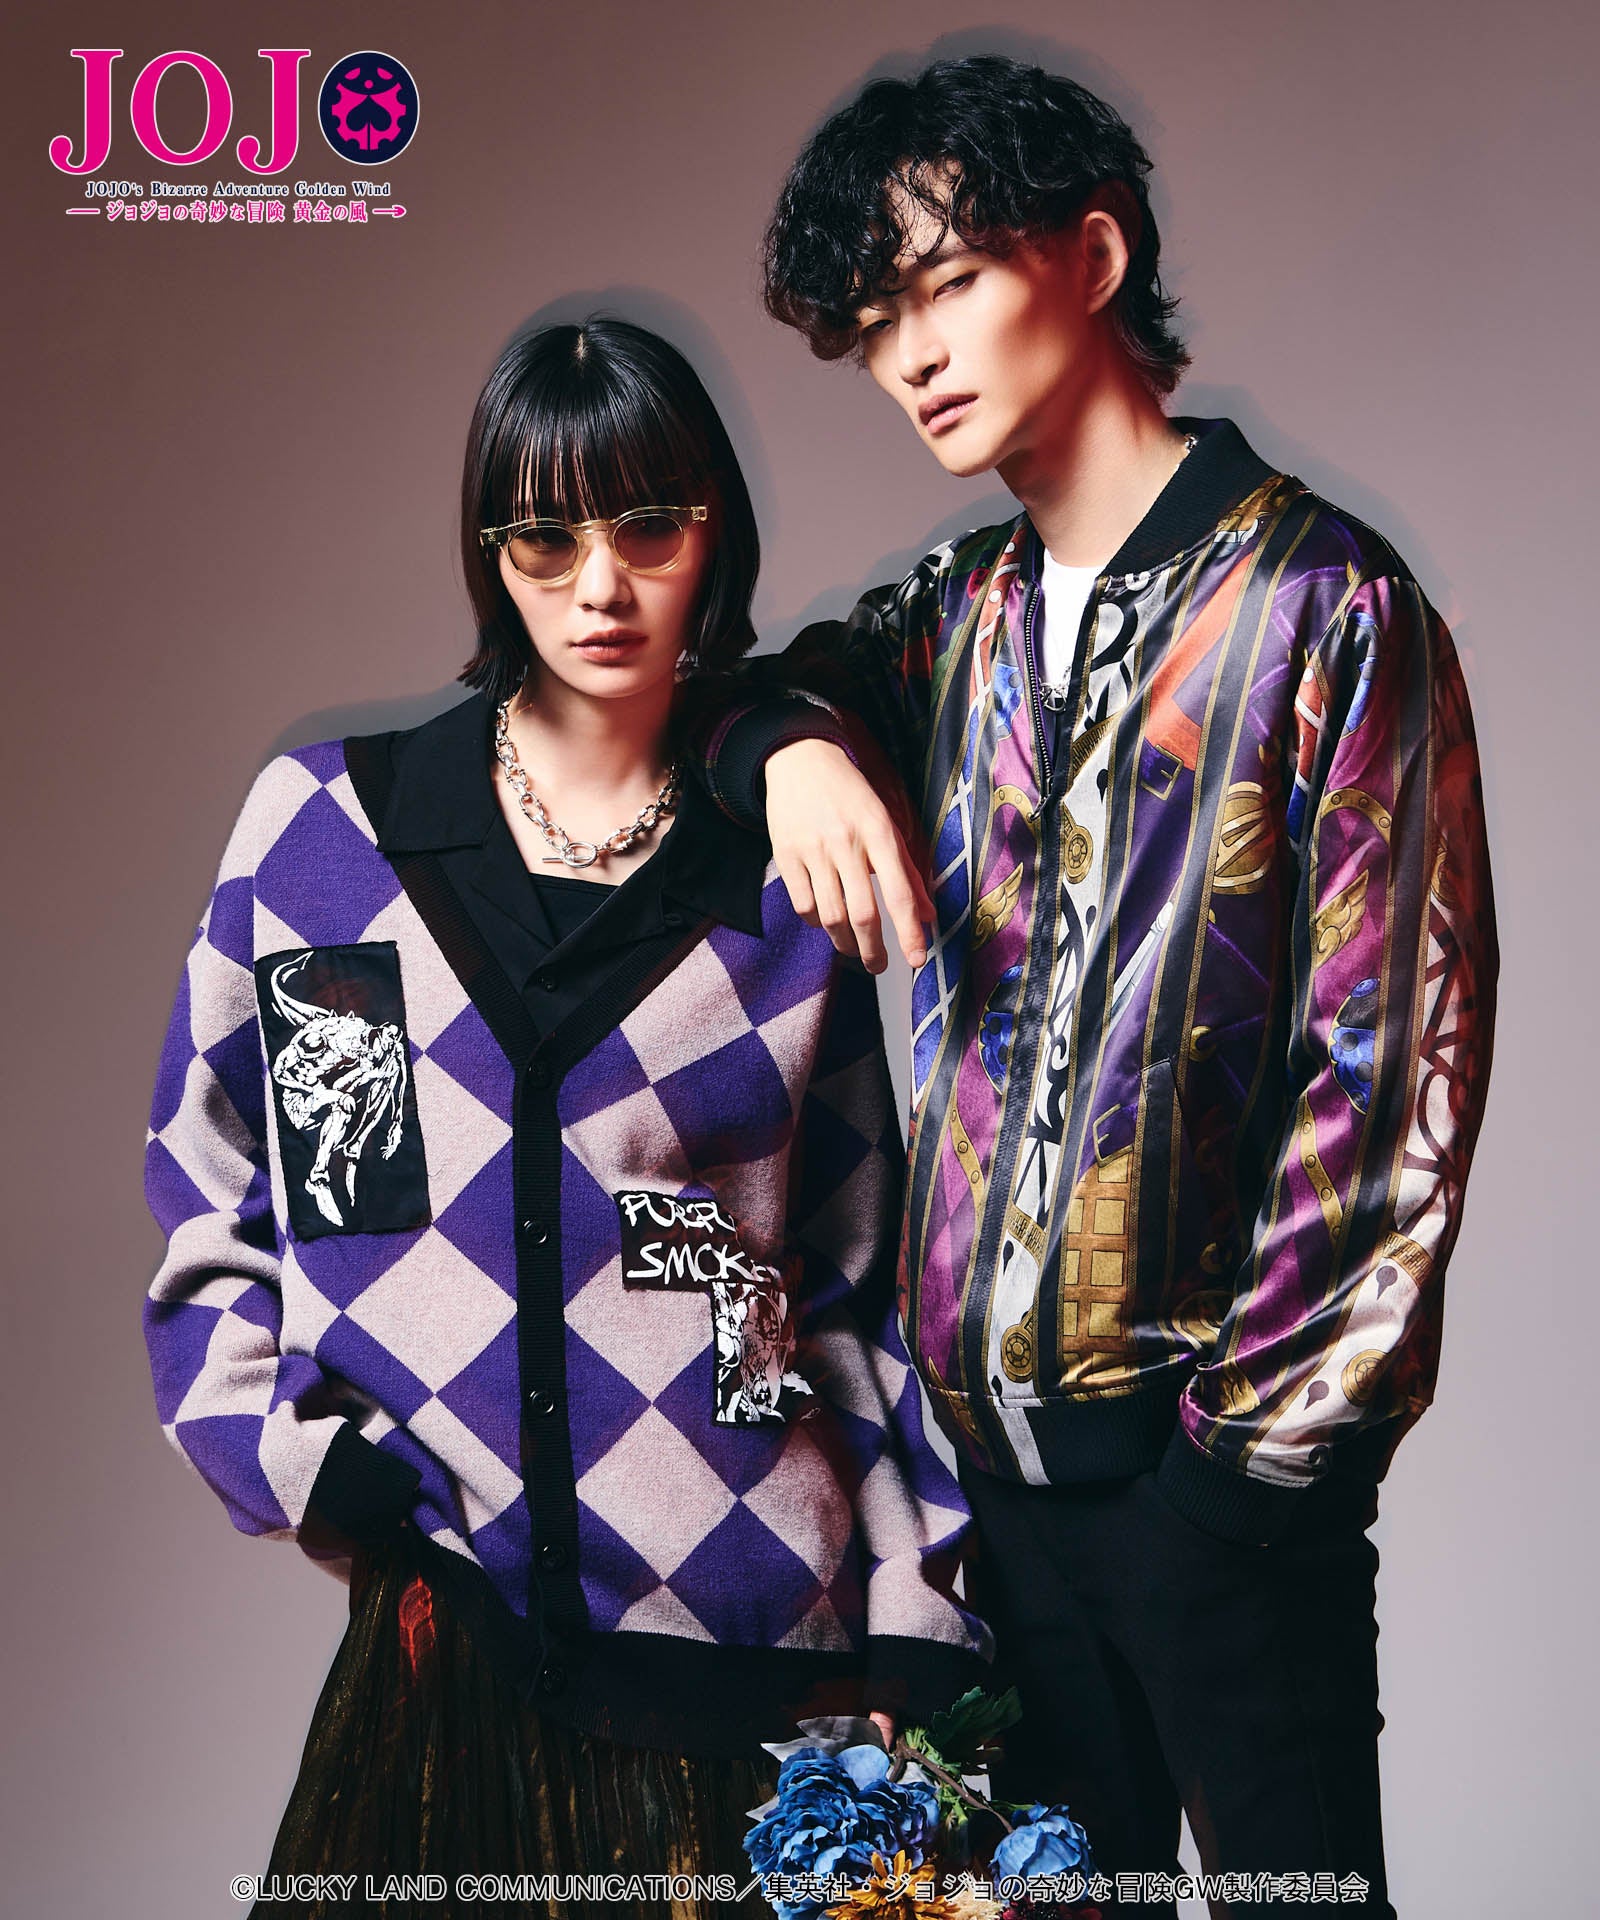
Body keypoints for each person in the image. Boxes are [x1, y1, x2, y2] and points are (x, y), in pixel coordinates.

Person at [690, 56, 1500, 1918]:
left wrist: (1244, 1478)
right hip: (999, 1503)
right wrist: (790, 750)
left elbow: (1393, 1071)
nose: (910, 354)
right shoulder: (950, 618)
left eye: (949, 282)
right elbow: (746, 698)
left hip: (1225, 1501)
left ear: (1094, 256)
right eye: (874, 320)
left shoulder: (1323, 606)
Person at [141, 315, 992, 1920]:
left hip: (751, 1649)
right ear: (492, 551)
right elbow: (224, 1187)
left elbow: (840, 1293)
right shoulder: (335, 841)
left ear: (713, 536)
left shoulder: (780, 885)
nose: (601, 586)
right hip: (448, 1649)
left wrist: (909, 1619)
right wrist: (288, 1455)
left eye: (649, 528)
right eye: (546, 537)